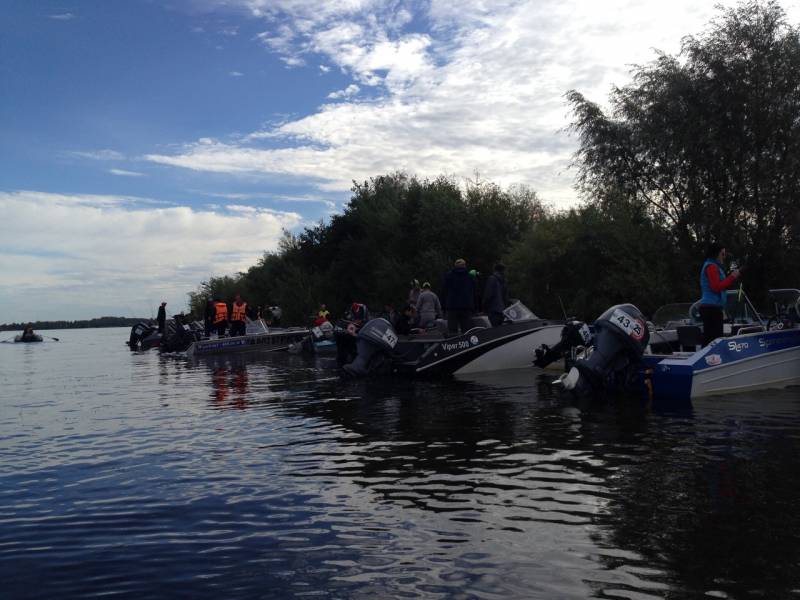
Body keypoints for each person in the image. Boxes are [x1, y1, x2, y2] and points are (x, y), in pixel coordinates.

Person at [699, 243, 742, 346]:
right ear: (716, 254)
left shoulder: (713, 266)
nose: (724, 256)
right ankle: (710, 360)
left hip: (712, 307)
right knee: (713, 341)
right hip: (711, 308)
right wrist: (732, 277)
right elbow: (716, 287)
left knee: (711, 339)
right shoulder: (711, 267)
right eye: (722, 254)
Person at [442, 258, 475, 335]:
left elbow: (444, 291)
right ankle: (466, 345)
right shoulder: (470, 276)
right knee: (466, 331)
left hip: (452, 307)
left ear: (455, 266)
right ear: (465, 266)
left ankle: (453, 345)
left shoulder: (448, 275)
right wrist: (473, 307)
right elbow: (473, 292)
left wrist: (444, 306)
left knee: (452, 331)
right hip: (466, 307)